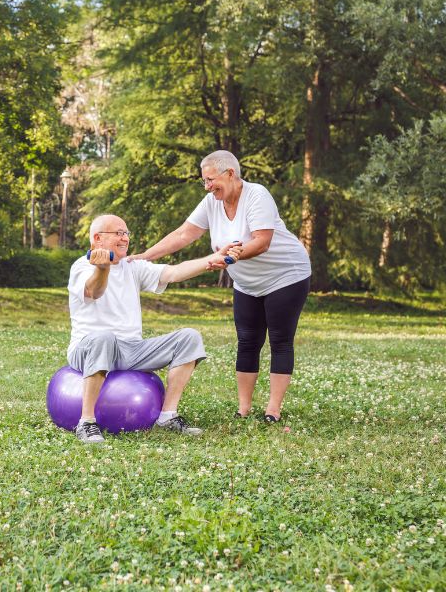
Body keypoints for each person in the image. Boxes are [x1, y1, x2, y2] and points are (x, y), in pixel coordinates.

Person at [127, 150, 311, 423]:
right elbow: (183, 234)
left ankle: (273, 409)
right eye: (204, 181)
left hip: (286, 275)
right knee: (248, 341)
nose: (207, 186)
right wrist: (144, 256)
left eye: (211, 179)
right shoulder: (211, 203)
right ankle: (244, 408)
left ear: (230, 174)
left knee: (280, 340)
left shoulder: (257, 196)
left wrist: (230, 256)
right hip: (247, 282)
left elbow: (262, 241)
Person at [67, 213, 227, 443]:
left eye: (126, 233)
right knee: (104, 337)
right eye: (118, 233)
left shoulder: (133, 267)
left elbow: (173, 272)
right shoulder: (82, 266)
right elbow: (94, 292)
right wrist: (102, 269)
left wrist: (212, 258)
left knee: (189, 338)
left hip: (131, 349)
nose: (124, 238)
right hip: (90, 348)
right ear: (98, 238)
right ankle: (87, 422)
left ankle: (167, 416)